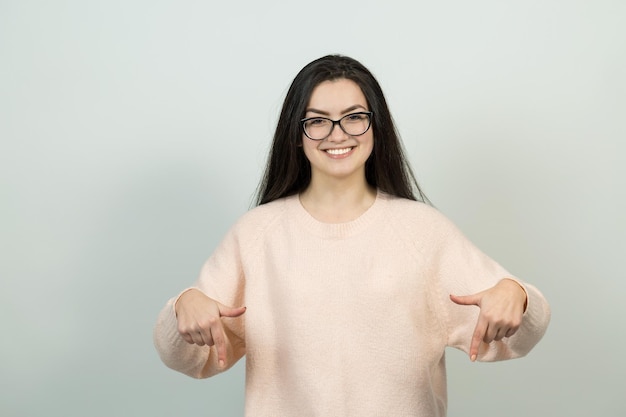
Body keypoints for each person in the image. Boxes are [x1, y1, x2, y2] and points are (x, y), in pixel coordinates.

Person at [153, 54, 550, 417]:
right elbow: (186, 357)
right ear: (297, 133)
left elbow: (519, 334)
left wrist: (517, 296)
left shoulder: (422, 231)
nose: (337, 133)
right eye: (318, 120)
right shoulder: (257, 234)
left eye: (354, 116)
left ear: (376, 126)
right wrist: (183, 307)